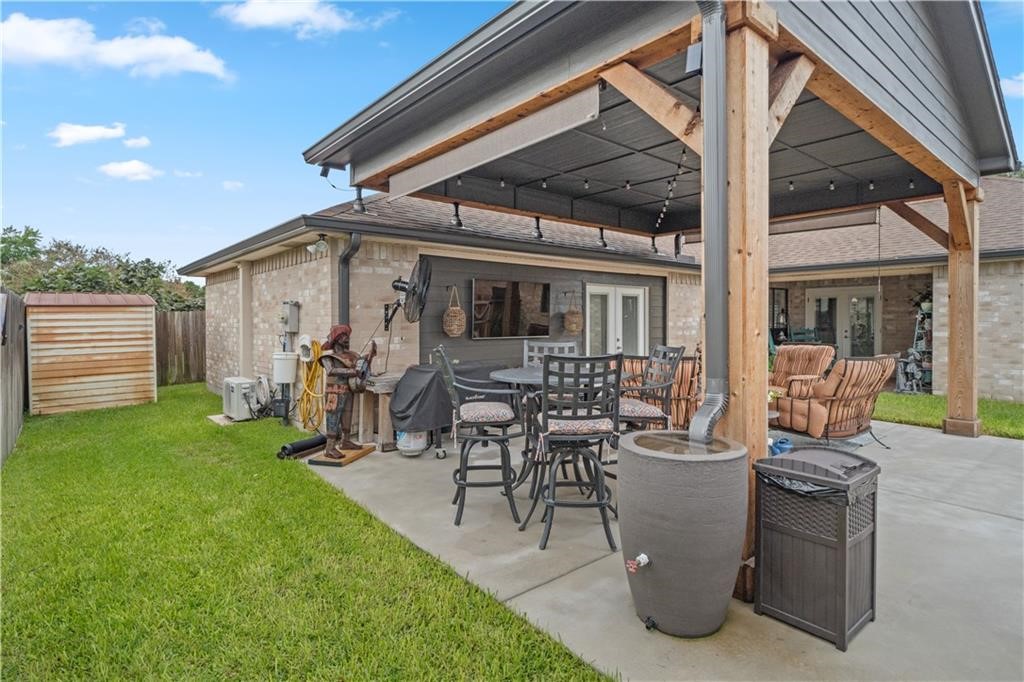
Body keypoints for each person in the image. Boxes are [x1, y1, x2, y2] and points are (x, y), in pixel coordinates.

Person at [318, 324, 376, 458]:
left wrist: (370, 356)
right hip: (334, 392)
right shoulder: (328, 358)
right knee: (333, 417)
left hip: (348, 390)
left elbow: (362, 366)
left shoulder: (352, 355)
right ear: (336, 339)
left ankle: (346, 441)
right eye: (343, 336)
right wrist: (352, 371)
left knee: (347, 416)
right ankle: (330, 448)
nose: (347, 339)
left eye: (347, 336)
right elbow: (331, 371)